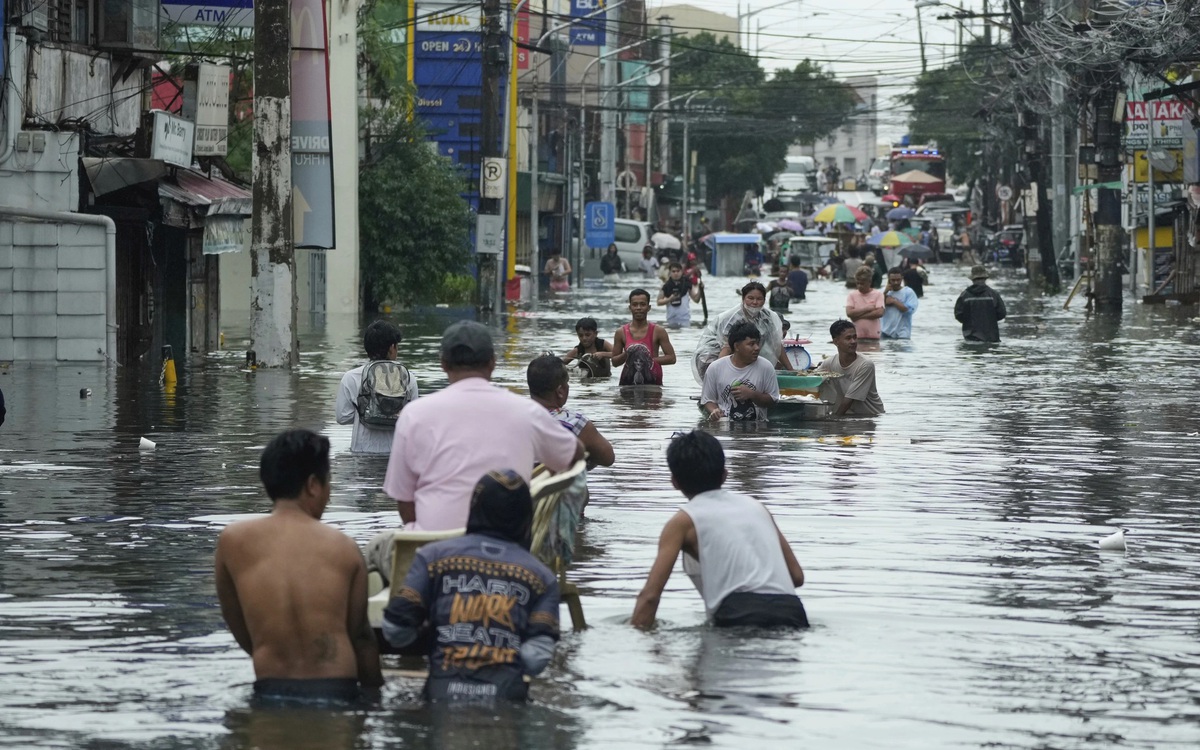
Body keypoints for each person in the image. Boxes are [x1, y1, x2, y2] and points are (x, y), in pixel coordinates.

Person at [214, 429, 384, 705]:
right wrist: (375, 699)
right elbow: (361, 637)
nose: (329, 494)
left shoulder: (232, 543)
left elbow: (240, 627)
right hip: (337, 690)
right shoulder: (343, 547)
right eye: (329, 483)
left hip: (270, 687)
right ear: (313, 485)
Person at [379, 320, 583, 533]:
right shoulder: (527, 412)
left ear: (443, 364)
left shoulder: (413, 415)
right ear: (493, 363)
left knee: (379, 546)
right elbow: (574, 454)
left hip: (431, 548)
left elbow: (404, 502)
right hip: (507, 545)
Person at [382, 470, 560, 702]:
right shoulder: (543, 578)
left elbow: (395, 631)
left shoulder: (432, 558)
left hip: (440, 696)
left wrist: (436, 633)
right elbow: (535, 660)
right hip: (506, 701)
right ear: (527, 516)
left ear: (474, 507)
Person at [631, 430, 807, 629]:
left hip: (737, 615)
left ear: (674, 482)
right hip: (793, 612)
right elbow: (796, 577)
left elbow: (650, 597)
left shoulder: (683, 521)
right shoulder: (757, 507)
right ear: (725, 474)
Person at [335, 320, 418, 454]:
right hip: (393, 454)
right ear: (392, 347)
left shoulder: (351, 377)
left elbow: (342, 417)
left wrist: (367, 411)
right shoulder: (408, 378)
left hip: (362, 451)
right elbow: (412, 419)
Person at [694, 282, 791, 382]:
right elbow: (726, 349)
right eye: (750, 298)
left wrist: (791, 370)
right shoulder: (731, 319)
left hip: (739, 356)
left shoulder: (768, 317)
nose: (755, 302)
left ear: (764, 300)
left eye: (759, 299)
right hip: (711, 358)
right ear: (743, 299)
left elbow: (776, 345)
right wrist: (719, 376)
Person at [700, 322, 780, 422]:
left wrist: (752, 394)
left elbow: (773, 400)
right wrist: (714, 411)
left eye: (757, 343)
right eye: (751, 344)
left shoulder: (766, 367)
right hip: (725, 427)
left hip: (757, 428)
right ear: (737, 346)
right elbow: (708, 400)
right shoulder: (715, 368)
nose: (757, 348)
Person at [816, 320, 885, 416]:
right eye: (848, 338)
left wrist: (835, 418)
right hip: (849, 415)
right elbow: (813, 379)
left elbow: (849, 399)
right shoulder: (829, 363)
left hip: (870, 416)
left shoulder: (865, 365)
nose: (853, 342)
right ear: (836, 341)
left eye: (855, 337)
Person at [611, 289, 677, 386]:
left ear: (648, 307)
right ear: (630, 307)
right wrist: (628, 354)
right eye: (635, 304)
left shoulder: (658, 331)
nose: (638, 308)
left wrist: (647, 360)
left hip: (652, 382)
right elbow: (614, 362)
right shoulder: (621, 332)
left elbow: (672, 358)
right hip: (628, 382)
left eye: (642, 304)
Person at [954, 265, 1007, 343]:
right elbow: (1002, 313)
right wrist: (990, 319)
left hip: (970, 338)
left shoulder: (964, 295)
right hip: (991, 338)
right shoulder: (993, 294)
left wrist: (969, 322)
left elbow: (958, 314)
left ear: (972, 279)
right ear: (985, 278)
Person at [657, 262, 703, 328]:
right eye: (673, 271)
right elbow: (658, 302)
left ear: (681, 272)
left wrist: (700, 290)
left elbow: (696, 300)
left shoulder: (687, 284)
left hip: (685, 319)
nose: (676, 273)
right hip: (671, 319)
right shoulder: (665, 286)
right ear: (670, 273)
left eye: (678, 271)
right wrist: (669, 299)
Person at [845, 265, 884, 340]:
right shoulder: (852, 295)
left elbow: (879, 313)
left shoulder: (878, 294)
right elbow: (849, 313)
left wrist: (857, 317)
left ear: (869, 282)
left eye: (862, 284)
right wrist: (867, 309)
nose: (859, 286)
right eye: (858, 283)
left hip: (873, 336)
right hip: (856, 337)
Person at [881, 268, 919, 339]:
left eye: (898, 280)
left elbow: (909, 311)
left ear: (902, 278)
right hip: (885, 332)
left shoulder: (908, 292)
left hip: (903, 333)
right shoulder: (882, 292)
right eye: (893, 280)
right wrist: (885, 293)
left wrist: (894, 301)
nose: (896, 282)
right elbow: (876, 308)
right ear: (888, 279)